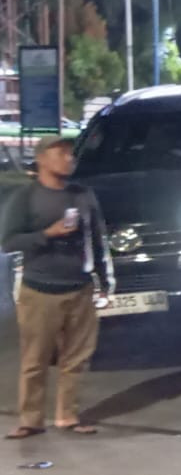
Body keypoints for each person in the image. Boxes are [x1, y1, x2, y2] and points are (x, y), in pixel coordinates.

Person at [2, 136, 112, 439]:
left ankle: (67, 416)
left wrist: (105, 283)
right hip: (40, 290)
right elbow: (9, 241)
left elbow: (98, 241)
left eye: (70, 153)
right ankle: (31, 420)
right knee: (35, 359)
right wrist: (47, 234)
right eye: (60, 153)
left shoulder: (83, 195)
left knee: (76, 358)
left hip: (80, 287)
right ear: (42, 160)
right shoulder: (26, 197)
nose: (69, 158)